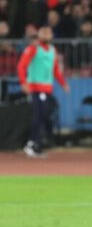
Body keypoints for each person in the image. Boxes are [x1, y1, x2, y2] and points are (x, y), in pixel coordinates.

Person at [18, 26, 70, 157]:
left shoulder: (53, 51)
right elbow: (21, 65)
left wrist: (63, 84)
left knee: (44, 115)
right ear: (39, 35)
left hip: (46, 88)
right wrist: (23, 82)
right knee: (40, 114)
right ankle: (32, 144)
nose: (47, 35)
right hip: (36, 87)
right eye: (44, 33)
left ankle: (37, 143)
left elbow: (55, 70)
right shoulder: (33, 48)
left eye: (49, 33)